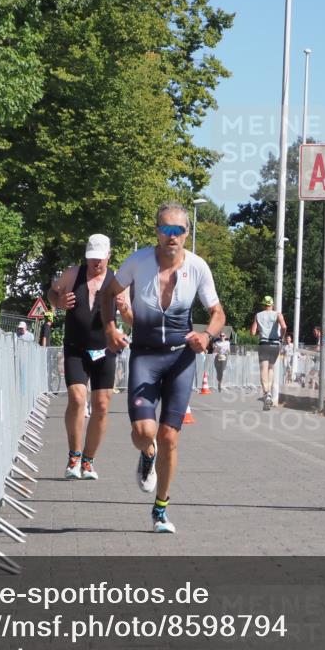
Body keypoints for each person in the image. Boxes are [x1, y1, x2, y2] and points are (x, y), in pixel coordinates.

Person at [103, 203, 225, 534]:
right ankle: (147, 455)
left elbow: (217, 312)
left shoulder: (198, 267)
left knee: (170, 436)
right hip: (144, 355)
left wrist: (207, 335)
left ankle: (160, 509)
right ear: (157, 231)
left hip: (180, 358)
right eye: (166, 230)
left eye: (178, 231)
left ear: (187, 233)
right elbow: (108, 293)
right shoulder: (138, 262)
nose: (172, 237)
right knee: (144, 433)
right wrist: (111, 328)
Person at [47, 234, 132, 482]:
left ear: (109, 256)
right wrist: (59, 302)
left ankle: (88, 461)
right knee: (76, 398)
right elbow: (51, 293)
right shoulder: (73, 274)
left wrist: (124, 308)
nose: (96, 264)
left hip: (105, 350)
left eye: (100, 259)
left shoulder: (118, 280)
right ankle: (73, 456)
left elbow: (130, 319)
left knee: (102, 406)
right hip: (75, 347)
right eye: (91, 259)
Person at [250, 295, 287, 411]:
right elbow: (284, 326)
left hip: (264, 344)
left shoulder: (258, 315)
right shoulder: (277, 314)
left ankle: (266, 393)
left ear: (263, 304)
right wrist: (281, 336)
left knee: (263, 369)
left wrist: (260, 332)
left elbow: (252, 332)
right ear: (272, 304)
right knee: (271, 368)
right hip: (275, 344)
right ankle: (269, 392)